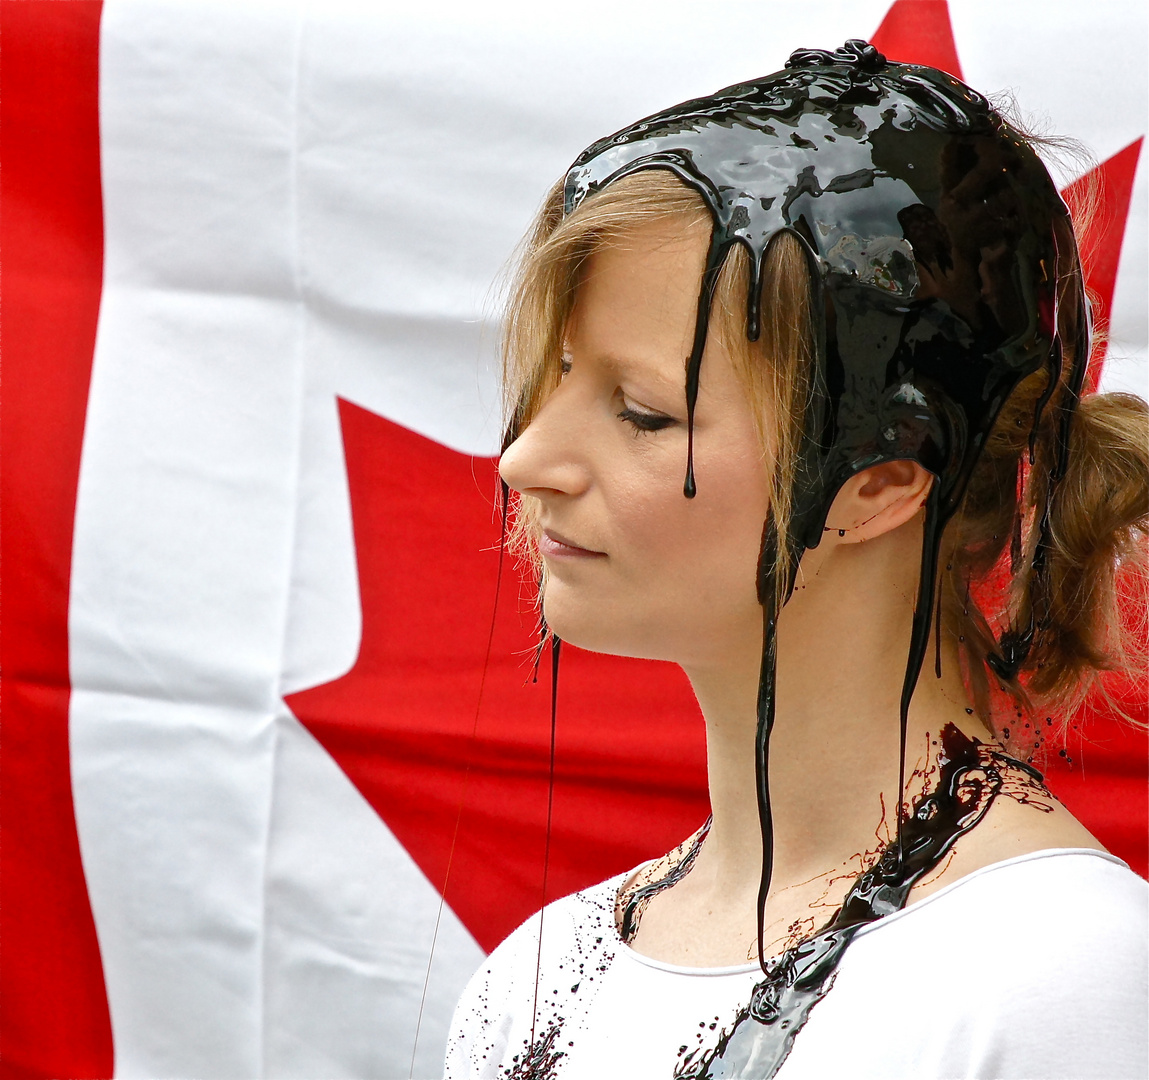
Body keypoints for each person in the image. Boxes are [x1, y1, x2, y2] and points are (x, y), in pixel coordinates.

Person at [445, 41, 1148, 1079]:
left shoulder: (1056, 976)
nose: (526, 457)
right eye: (553, 376)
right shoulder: (536, 982)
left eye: (642, 412)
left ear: (880, 480)